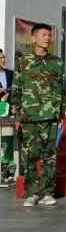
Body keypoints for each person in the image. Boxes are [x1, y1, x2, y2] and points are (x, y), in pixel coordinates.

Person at [10, 23, 64, 207]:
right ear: (33, 38)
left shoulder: (56, 62)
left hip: (51, 116)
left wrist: (61, 114)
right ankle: (31, 193)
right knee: (30, 156)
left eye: (49, 35)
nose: (47, 38)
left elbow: (61, 90)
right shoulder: (23, 62)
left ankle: (47, 192)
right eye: (43, 35)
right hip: (29, 117)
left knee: (50, 156)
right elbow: (16, 90)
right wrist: (18, 116)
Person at [0, 51, 14, 182]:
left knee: (8, 141)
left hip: (8, 114)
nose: (3, 60)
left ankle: (9, 170)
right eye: (0, 58)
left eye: (4, 57)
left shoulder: (10, 73)